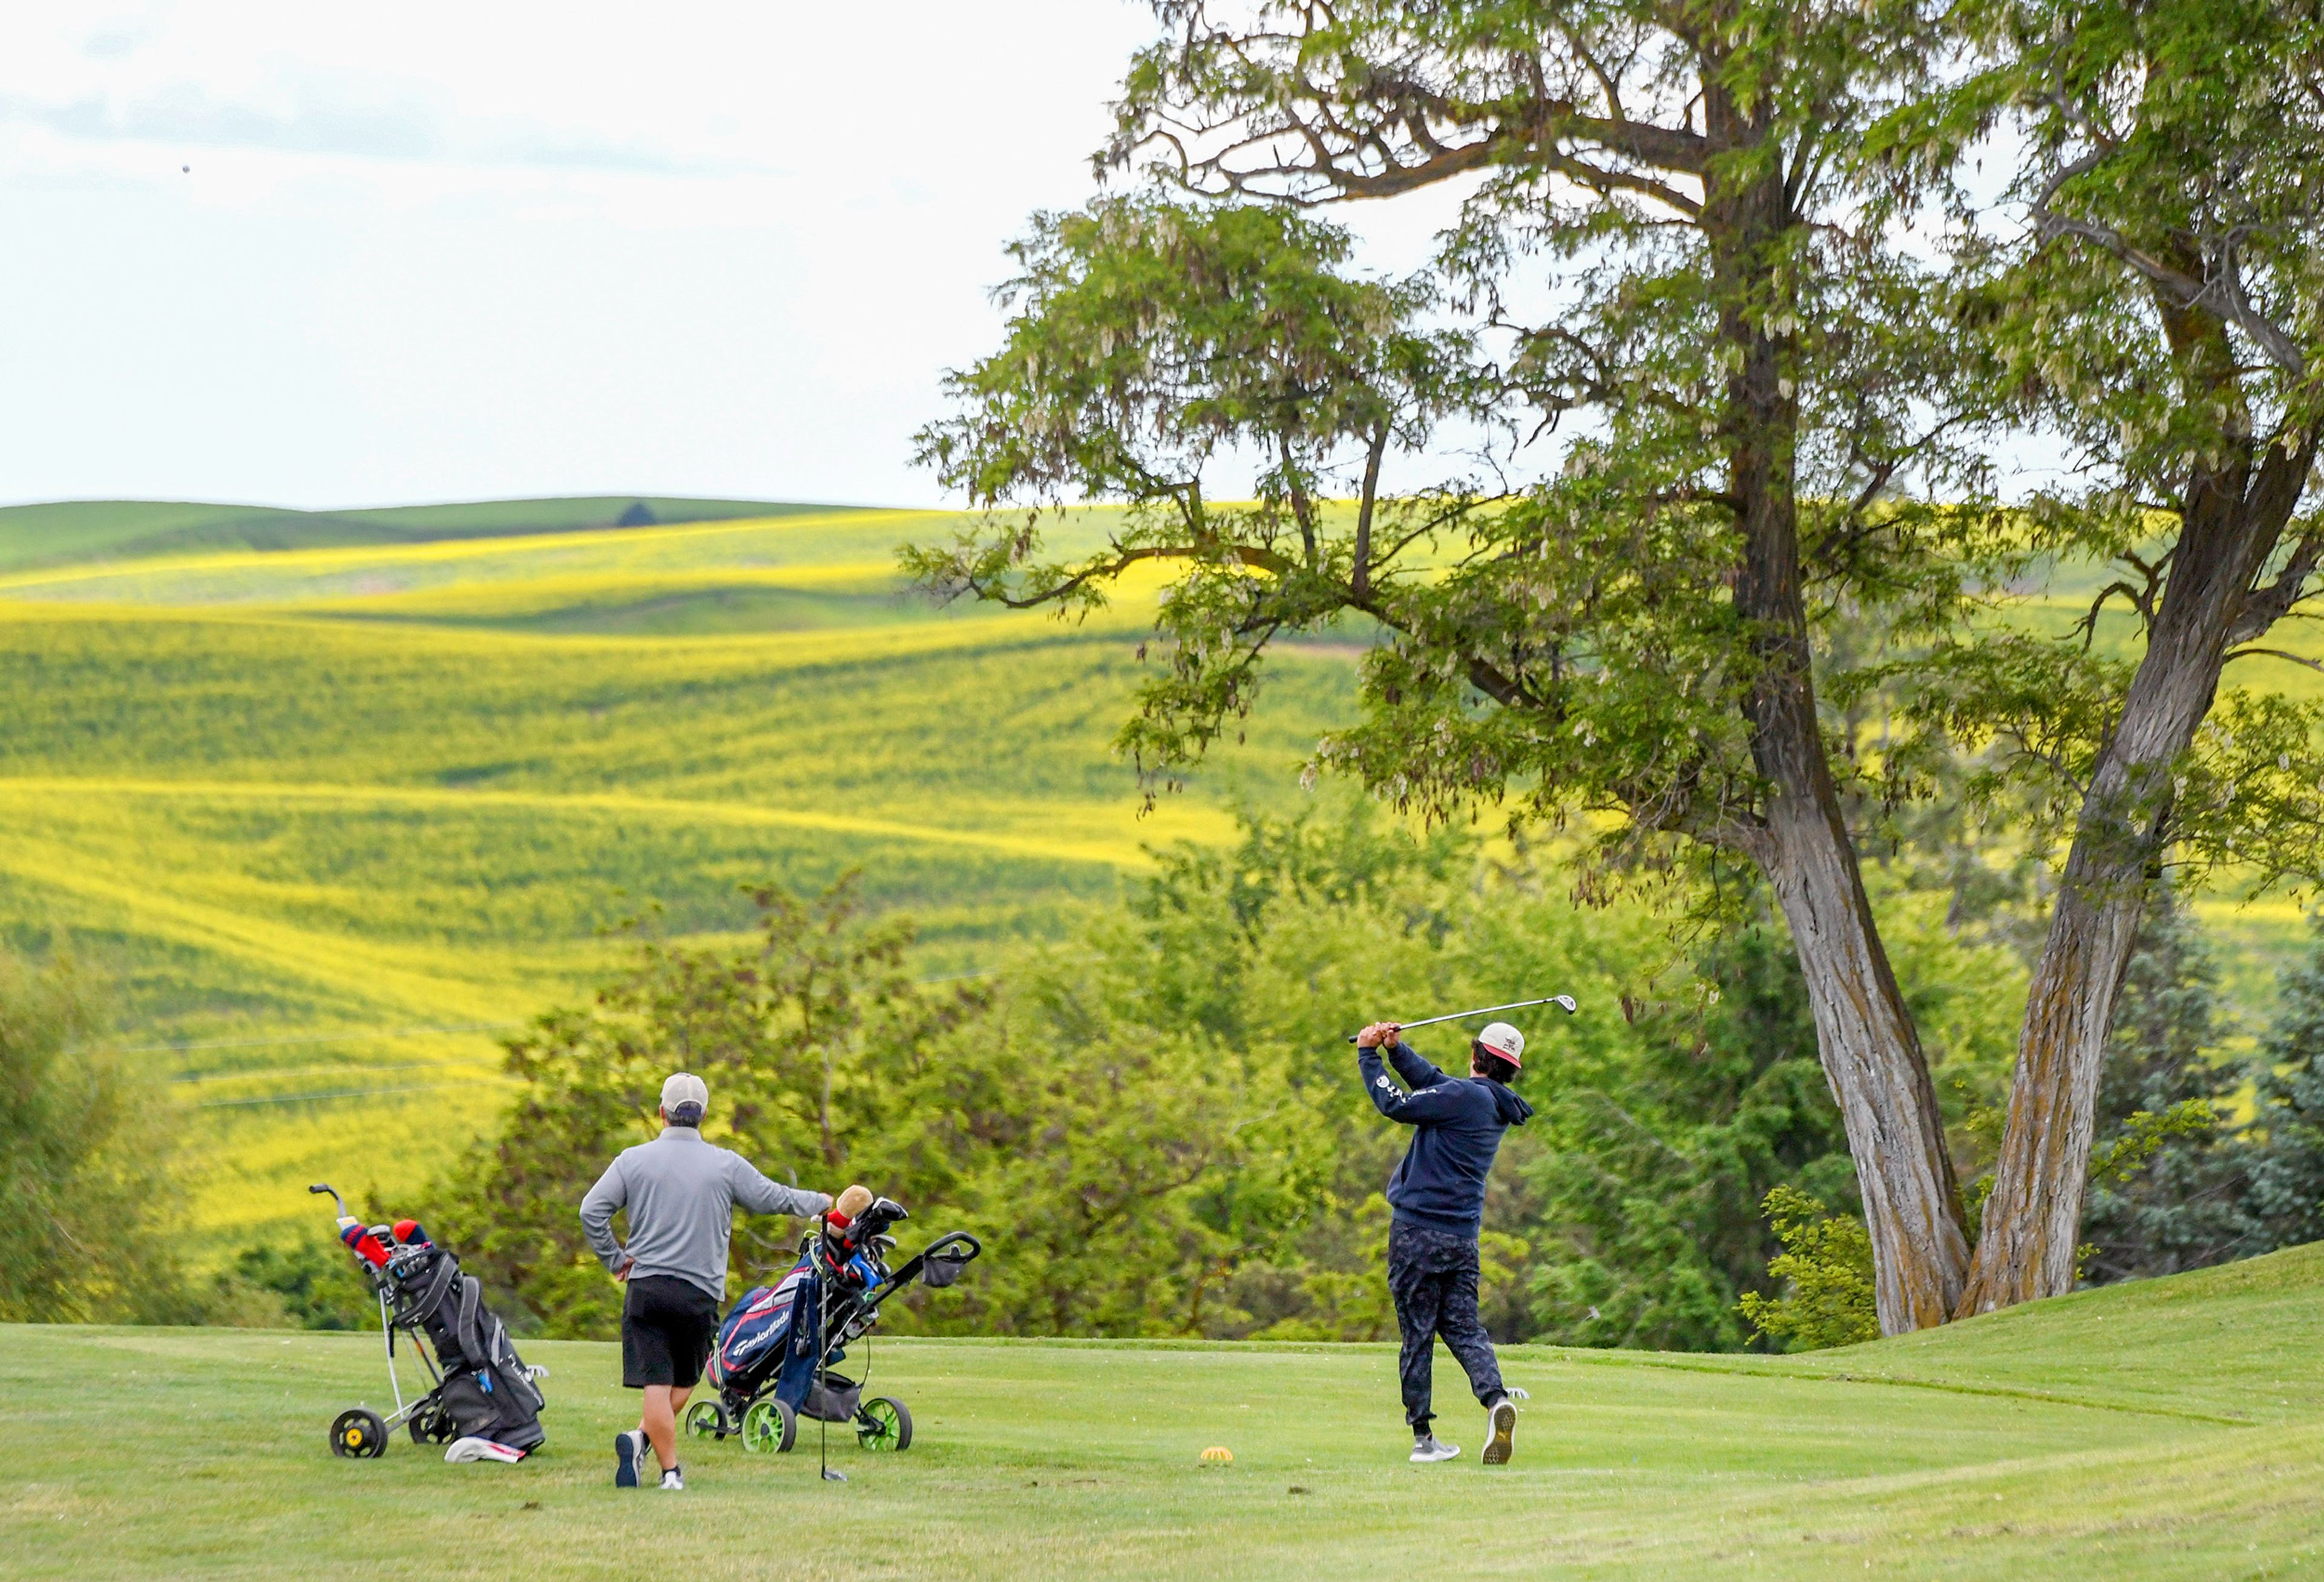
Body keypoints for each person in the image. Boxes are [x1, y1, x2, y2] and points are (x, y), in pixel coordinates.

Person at [579, 1071, 830, 1491]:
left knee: (656, 1384)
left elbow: (591, 1211)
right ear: (704, 1116)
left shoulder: (632, 1160)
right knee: (686, 1382)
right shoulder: (725, 1164)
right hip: (697, 1293)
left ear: (663, 1113)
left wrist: (615, 1260)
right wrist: (819, 1203)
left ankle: (645, 1445)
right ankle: (668, 1468)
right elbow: (773, 1198)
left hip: (647, 1288)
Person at [1354, 1018, 1535, 1466]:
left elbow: (1397, 1104)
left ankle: (1424, 1438)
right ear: (1509, 1069)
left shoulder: (1463, 1097)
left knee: (1417, 1333)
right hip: (1461, 1239)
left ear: (1476, 1056)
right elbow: (1436, 1084)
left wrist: (1366, 1055)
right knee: (1462, 1326)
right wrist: (1397, 1052)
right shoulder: (1490, 1103)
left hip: (1417, 1232)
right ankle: (1495, 1401)